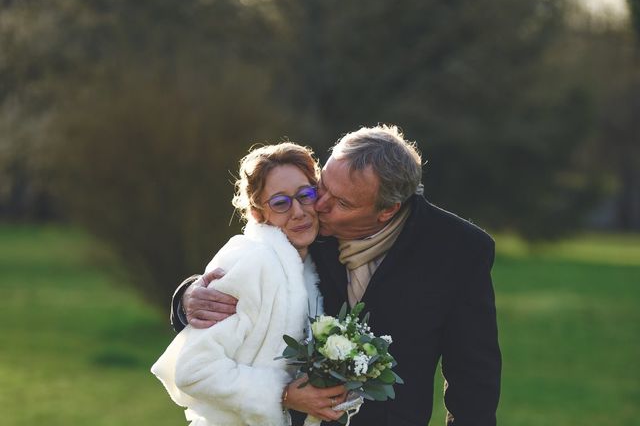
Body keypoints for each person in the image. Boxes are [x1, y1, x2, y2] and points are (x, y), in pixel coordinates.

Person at [172, 125, 502, 426]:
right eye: (323, 186)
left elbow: (473, 376)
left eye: (341, 202)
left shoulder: (459, 251)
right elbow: (247, 258)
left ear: (387, 210)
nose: (320, 205)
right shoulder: (303, 223)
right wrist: (186, 297)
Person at [152, 143, 346, 426]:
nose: (299, 212)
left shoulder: (312, 262)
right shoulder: (252, 263)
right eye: (280, 203)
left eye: (305, 195)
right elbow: (194, 370)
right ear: (257, 213)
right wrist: (282, 394)